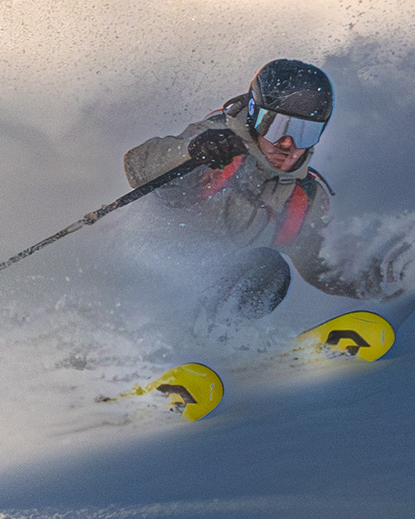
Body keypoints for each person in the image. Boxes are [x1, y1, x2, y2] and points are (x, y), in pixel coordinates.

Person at [122, 58, 393, 324]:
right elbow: (138, 166)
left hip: (209, 294)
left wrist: (379, 275)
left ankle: (215, 343)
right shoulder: (216, 143)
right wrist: (189, 152)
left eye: (305, 132)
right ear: (253, 113)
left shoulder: (303, 197)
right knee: (264, 263)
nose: (288, 143)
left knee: (268, 267)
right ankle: (191, 336)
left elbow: (317, 262)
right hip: (143, 280)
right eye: (276, 126)